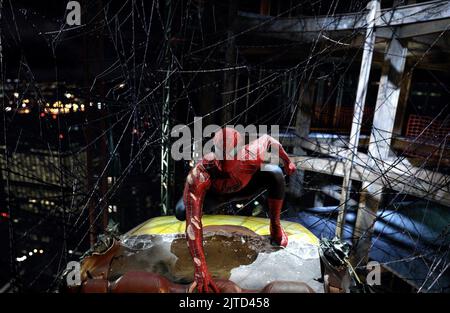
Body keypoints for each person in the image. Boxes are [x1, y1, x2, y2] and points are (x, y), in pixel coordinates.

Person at [175, 127, 296, 293]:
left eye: (230, 153)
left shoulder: (251, 154)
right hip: (215, 197)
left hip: (244, 189)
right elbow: (193, 223)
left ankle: (275, 225)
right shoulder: (200, 172)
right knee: (182, 211)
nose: (225, 159)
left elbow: (269, 139)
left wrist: (287, 161)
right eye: (221, 153)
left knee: (275, 172)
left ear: (239, 151)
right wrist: (200, 269)